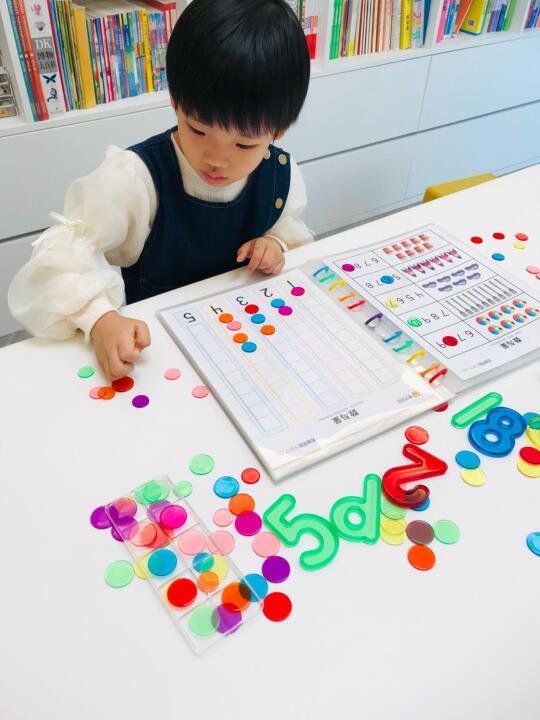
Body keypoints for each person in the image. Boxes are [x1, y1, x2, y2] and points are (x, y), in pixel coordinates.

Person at [9, 0, 313, 381]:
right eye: (198, 129)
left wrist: (276, 244)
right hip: (156, 357)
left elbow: (290, 230)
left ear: (278, 132)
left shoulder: (279, 175)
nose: (216, 160)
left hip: (244, 345)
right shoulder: (135, 180)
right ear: (175, 100)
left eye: (244, 144)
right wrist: (100, 318)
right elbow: (60, 258)